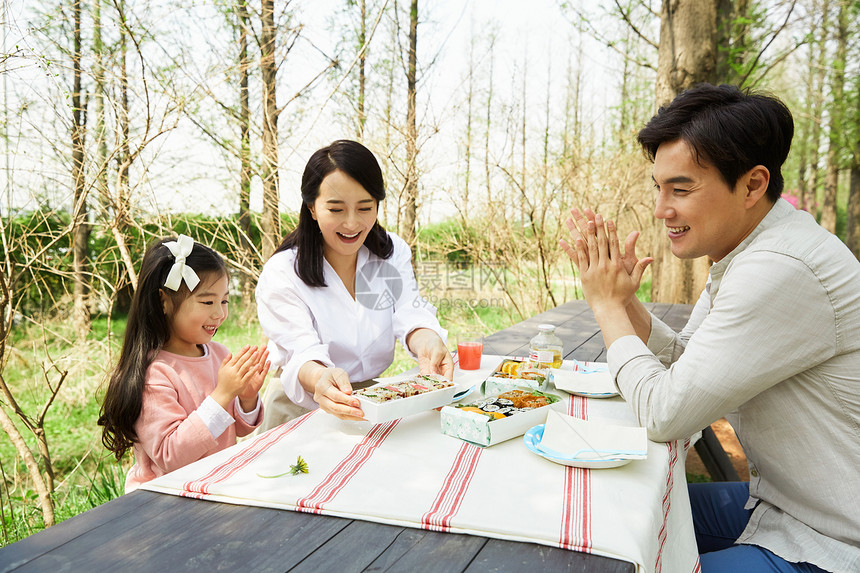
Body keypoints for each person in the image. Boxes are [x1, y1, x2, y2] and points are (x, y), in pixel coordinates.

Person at [561, 84, 860, 573]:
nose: (661, 209)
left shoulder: (780, 268)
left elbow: (665, 414)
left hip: (832, 540)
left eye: (681, 189)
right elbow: (686, 362)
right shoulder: (750, 252)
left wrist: (608, 308)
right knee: (607, 514)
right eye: (658, 187)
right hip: (780, 507)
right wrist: (625, 301)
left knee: (619, 544)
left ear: (752, 185)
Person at [256, 139, 452, 427]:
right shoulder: (283, 271)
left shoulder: (392, 252)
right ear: (312, 208)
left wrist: (429, 341)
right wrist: (320, 377)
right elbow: (302, 352)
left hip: (372, 401)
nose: (351, 224)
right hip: (302, 406)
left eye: (364, 208)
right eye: (336, 210)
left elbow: (409, 311)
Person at [99, 235, 270, 492]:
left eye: (224, 301)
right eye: (207, 302)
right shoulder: (155, 373)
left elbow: (239, 429)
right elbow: (170, 457)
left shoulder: (218, 353)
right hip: (164, 497)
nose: (219, 313)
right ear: (164, 301)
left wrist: (246, 398)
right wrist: (222, 394)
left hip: (213, 485)